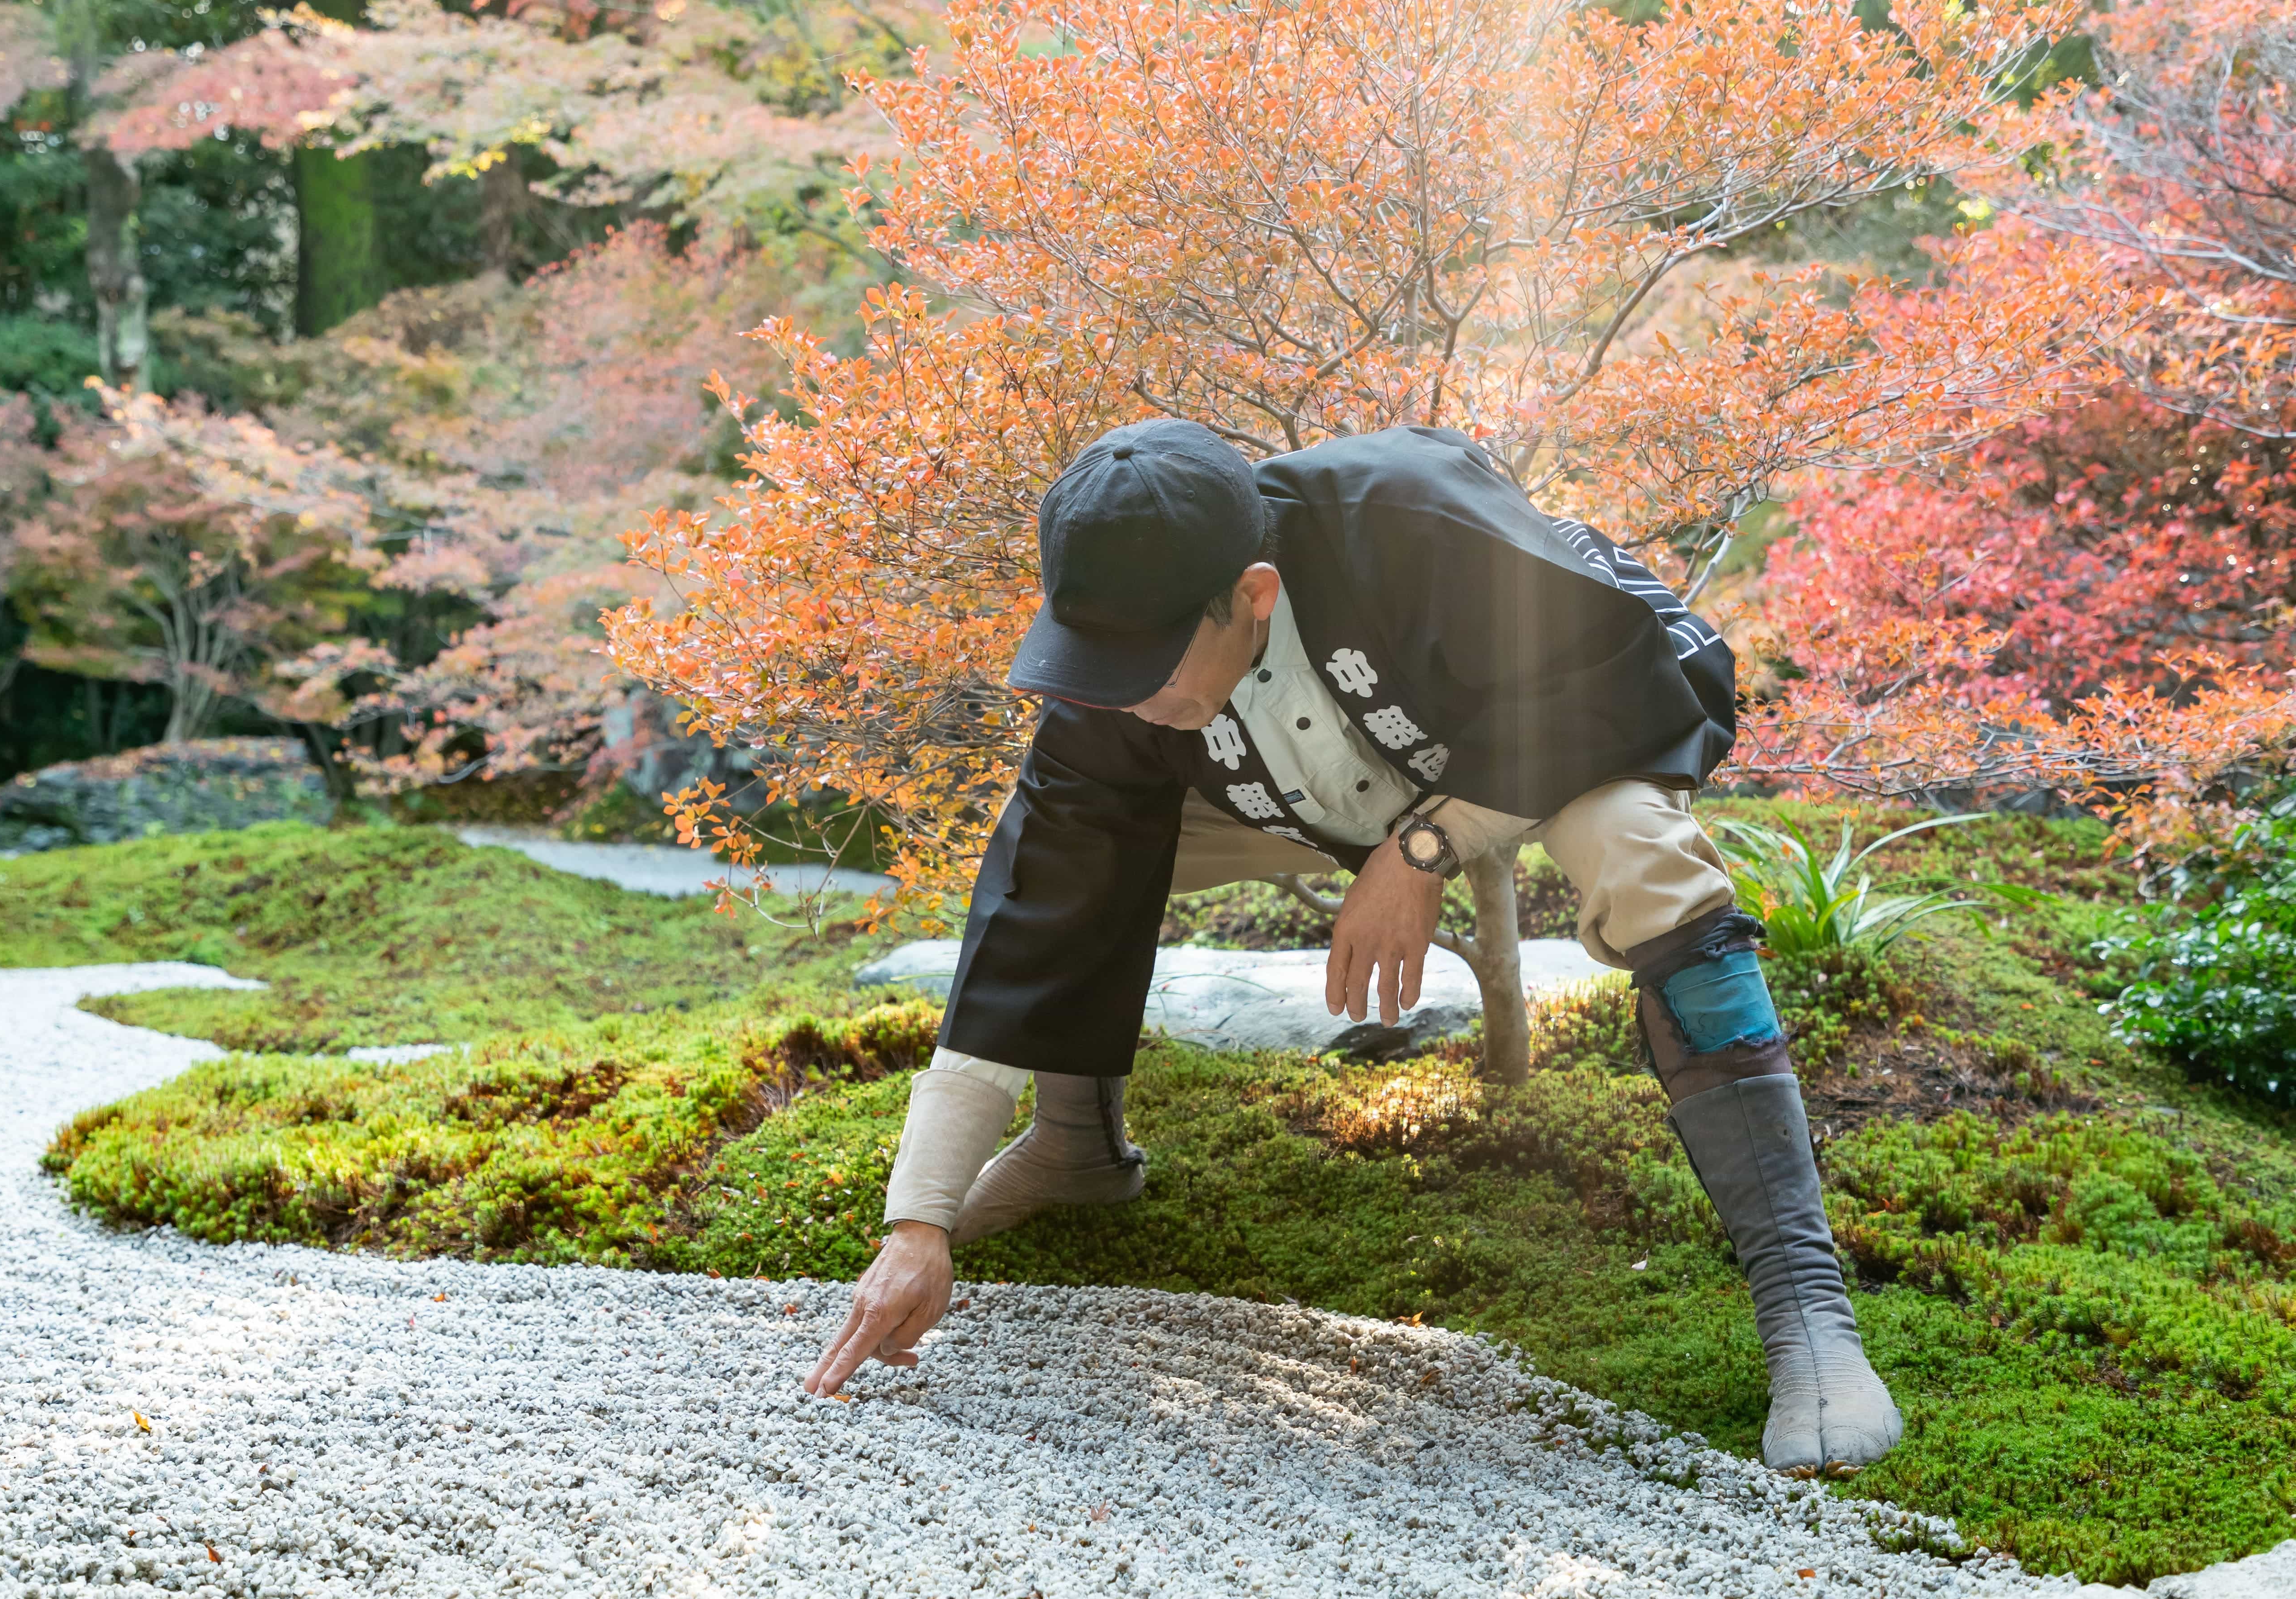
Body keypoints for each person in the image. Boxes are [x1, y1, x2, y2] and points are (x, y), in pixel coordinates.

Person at [803, 419, 1902, 1477]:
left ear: (1252, 595)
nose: (1123, 693)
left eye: (1149, 664)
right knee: (1075, 847)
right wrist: (920, 1220)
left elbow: (1615, 685)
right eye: (1099, 661)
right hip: (1315, 784)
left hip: (1547, 726)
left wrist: (1423, 849)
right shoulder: (1126, 675)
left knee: (1641, 853)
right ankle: (1076, 1147)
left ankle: (1805, 1307)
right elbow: (1037, 903)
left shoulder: (1418, 524)